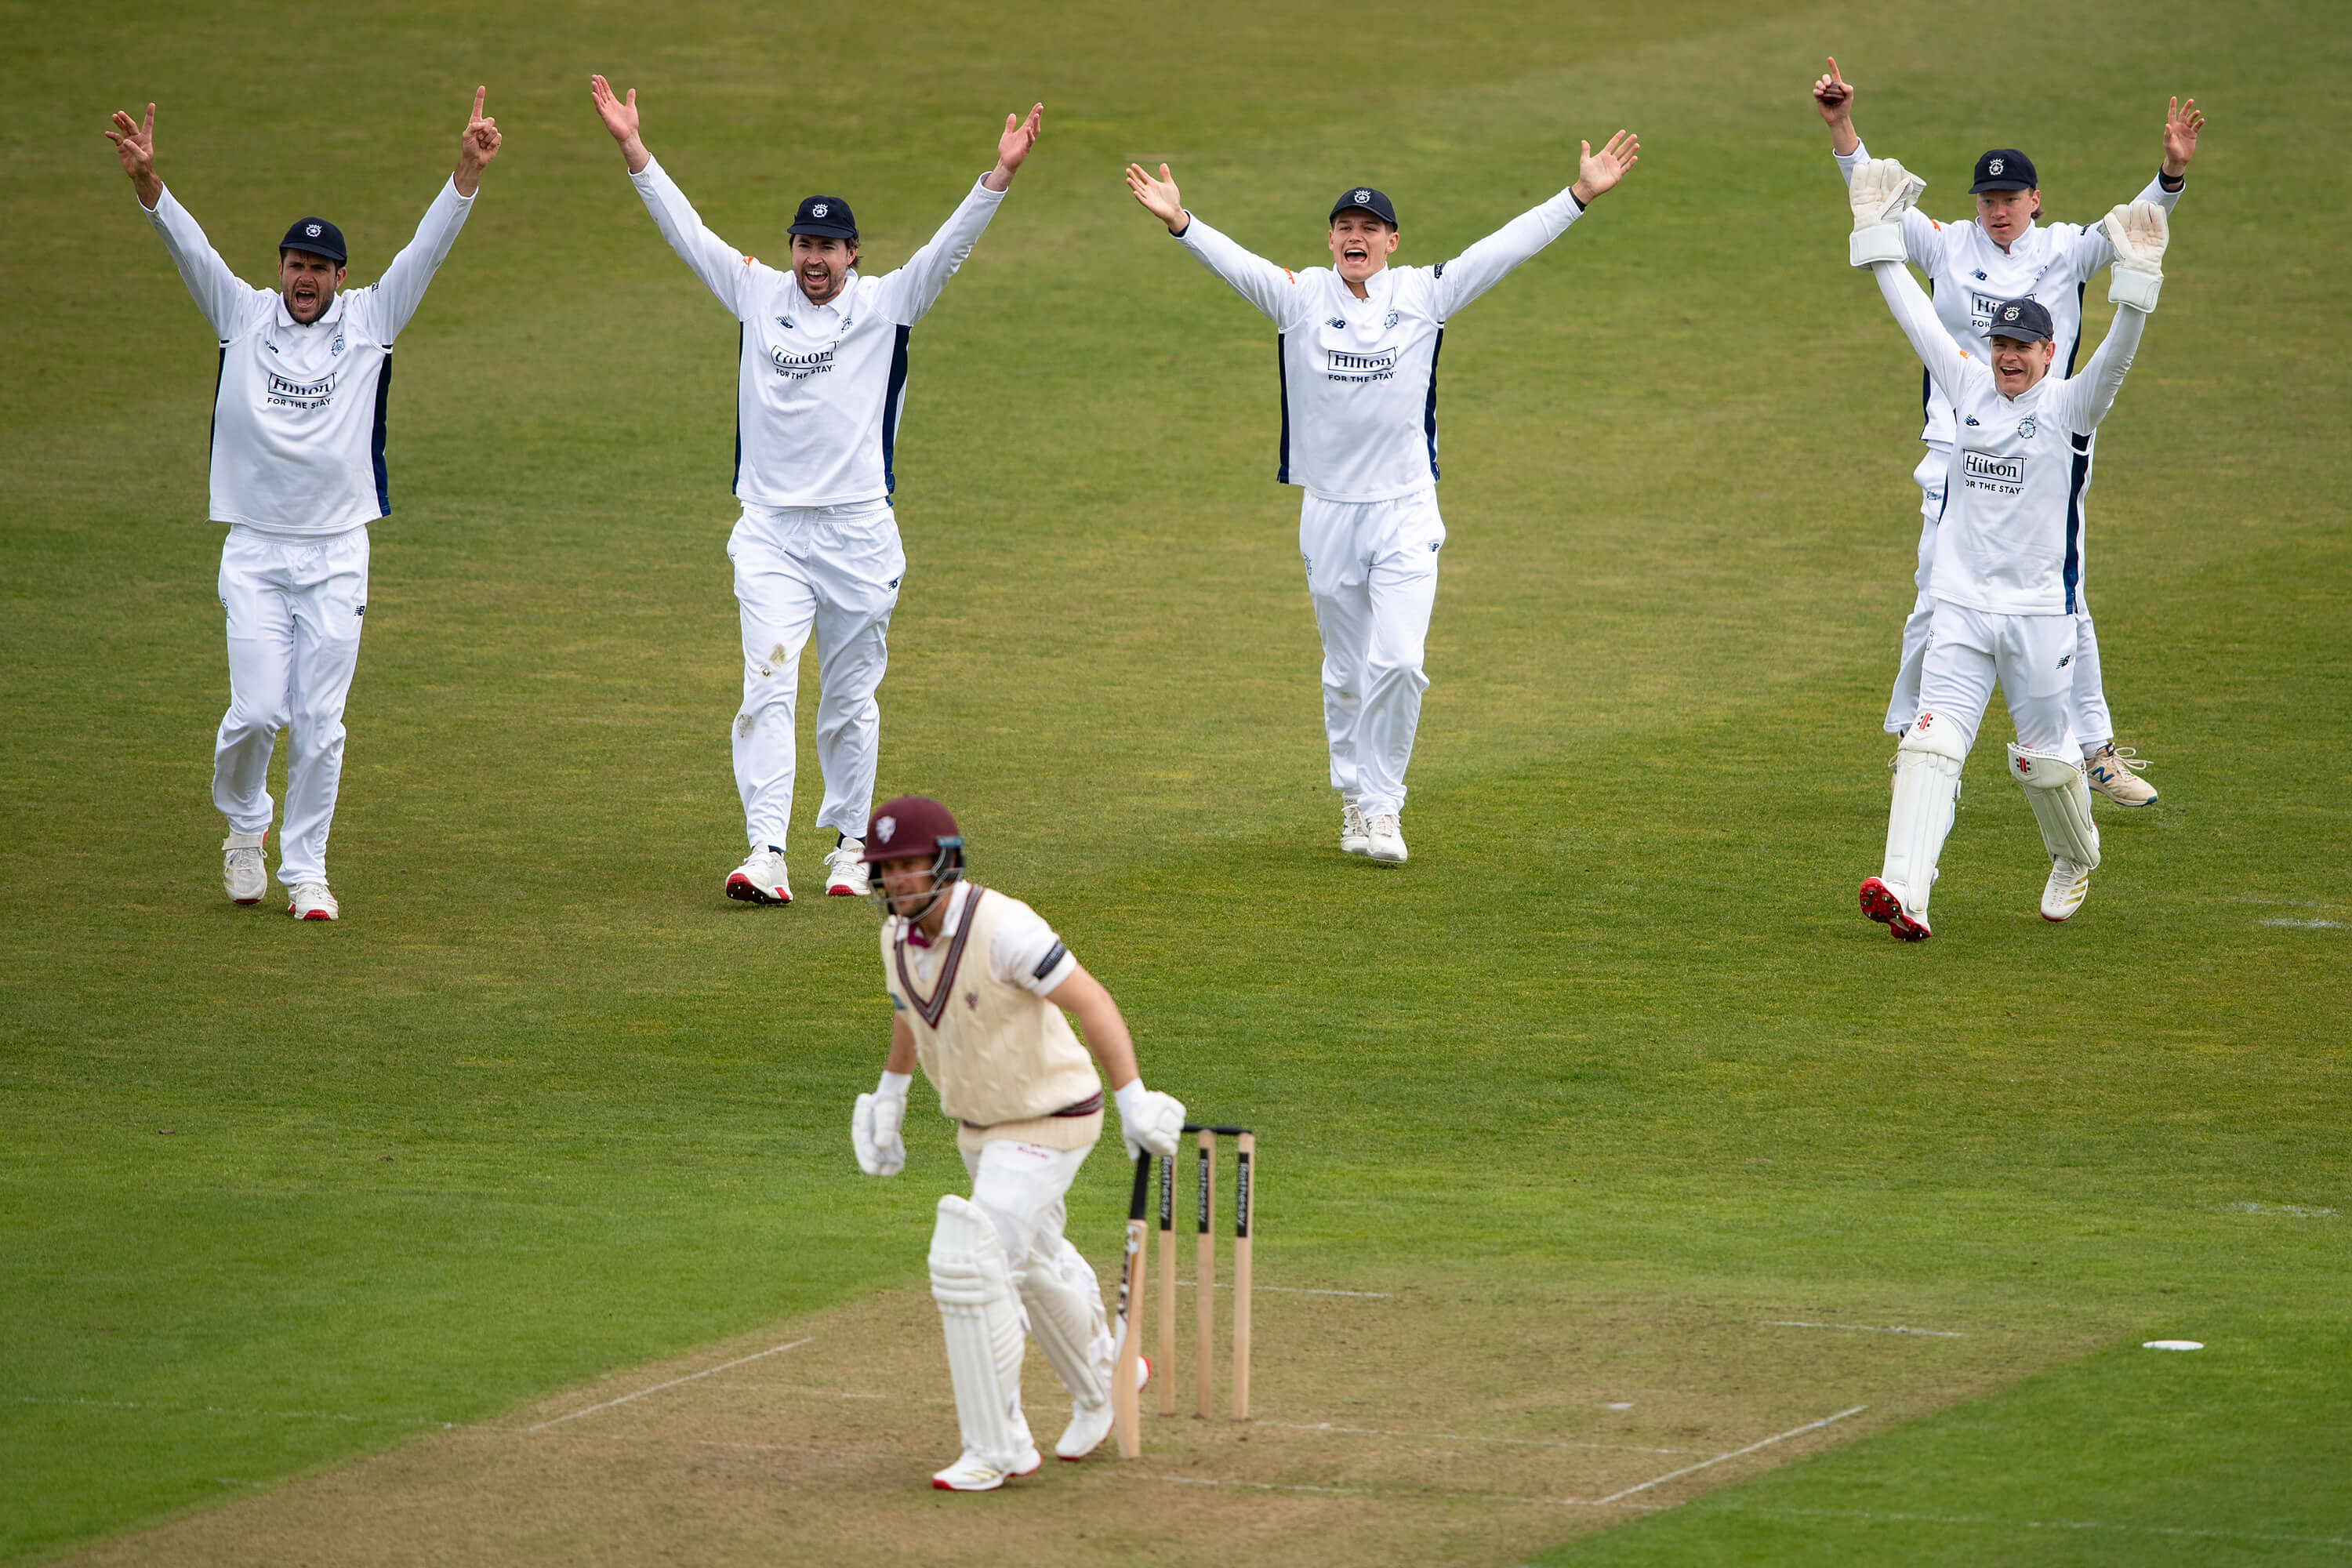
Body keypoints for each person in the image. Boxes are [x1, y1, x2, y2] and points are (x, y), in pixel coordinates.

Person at [1123, 134, 1639, 866]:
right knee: (1345, 671)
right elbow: (1235, 265)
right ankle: (1353, 801)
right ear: (1330, 240)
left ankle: (1384, 808)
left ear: (1392, 242)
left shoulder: (1423, 294)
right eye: (1344, 227)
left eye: (1369, 229)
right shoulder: (1300, 297)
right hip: (1329, 510)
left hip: (1405, 508)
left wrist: (1578, 196)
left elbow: (1502, 250)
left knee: (1398, 662)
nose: (1355, 237)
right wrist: (1183, 222)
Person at [589, 76, 1042, 906]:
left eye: (829, 250)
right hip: (768, 530)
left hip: (859, 532)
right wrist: (633, 148)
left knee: (848, 695)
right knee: (766, 682)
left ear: (854, 254)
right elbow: (686, 234)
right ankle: (765, 850)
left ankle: (846, 844)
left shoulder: (887, 303)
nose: (814, 262)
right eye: (803, 246)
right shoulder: (757, 292)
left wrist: (1000, 174)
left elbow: (949, 247)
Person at [108, 92, 504, 921]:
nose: (304, 279)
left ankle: (307, 870)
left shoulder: (370, 323)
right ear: (282, 268)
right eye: (295, 264)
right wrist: (150, 184)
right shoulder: (243, 315)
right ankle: (246, 820)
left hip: (335, 553)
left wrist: (466, 172)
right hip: (255, 549)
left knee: (321, 723)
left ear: (339, 278)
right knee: (256, 713)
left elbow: (425, 254)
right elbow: (190, 249)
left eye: (318, 269)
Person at [1813, 58, 2199, 808]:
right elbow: (1876, 202)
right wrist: (1841, 128)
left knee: (2068, 600)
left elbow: (2137, 229)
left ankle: (2097, 754)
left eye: (2010, 197)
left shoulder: (2066, 251)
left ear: (2035, 200)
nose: (1997, 210)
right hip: (1955, 448)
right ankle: (1914, 743)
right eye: (1987, 198)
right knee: (1935, 598)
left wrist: (2171, 175)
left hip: (2049, 449)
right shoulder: (1948, 242)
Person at [1843, 158, 2170, 937]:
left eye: (2025, 347)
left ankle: (2075, 853)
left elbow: (2119, 356)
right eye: (2002, 345)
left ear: (2051, 352)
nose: (2010, 356)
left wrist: (2137, 286)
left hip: (2035, 615)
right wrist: (1874, 238)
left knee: (2044, 759)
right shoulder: (1965, 388)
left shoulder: (2072, 405)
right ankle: (1905, 893)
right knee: (1930, 743)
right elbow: (1917, 317)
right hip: (1960, 603)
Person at [848, 795, 1186, 1490]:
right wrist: (891, 1096)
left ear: (944, 861)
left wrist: (1133, 1100)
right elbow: (910, 1013)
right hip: (980, 1126)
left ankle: (997, 1447)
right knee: (1029, 1263)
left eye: (912, 865)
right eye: (889, 869)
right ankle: (1106, 1378)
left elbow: (1090, 1000)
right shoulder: (894, 940)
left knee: (973, 1257)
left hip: (1053, 1115)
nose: (901, 881)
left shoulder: (1003, 926)